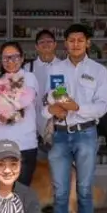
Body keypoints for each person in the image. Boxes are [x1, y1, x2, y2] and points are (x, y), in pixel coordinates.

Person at [45, 23, 107, 213]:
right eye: (71, 40)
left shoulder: (98, 70)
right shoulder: (55, 68)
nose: (75, 44)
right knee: (60, 191)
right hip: (61, 134)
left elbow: (103, 105)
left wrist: (77, 108)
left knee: (84, 190)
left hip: (85, 134)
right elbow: (49, 98)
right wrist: (53, 108)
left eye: (80, 40)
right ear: (65, 44)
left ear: (88, 43)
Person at [0, 41, 40, 185]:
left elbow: (25, 99)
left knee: (19, 194)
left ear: (22, 58)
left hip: (23, 145)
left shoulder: (28, 78)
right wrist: (2, 117)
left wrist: (0, 108)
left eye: (15, 57)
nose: (10, 61)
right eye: (6, 58)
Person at [28, 30, 59, 159]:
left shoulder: (64, 66)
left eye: (49, 41)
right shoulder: (28, 68)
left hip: (59, 127)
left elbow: (66, 94)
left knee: (59, 171)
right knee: (39, 172)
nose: (46, 44)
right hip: (34, 130)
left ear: (55, 44)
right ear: (36, 46)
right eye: (42, 42)